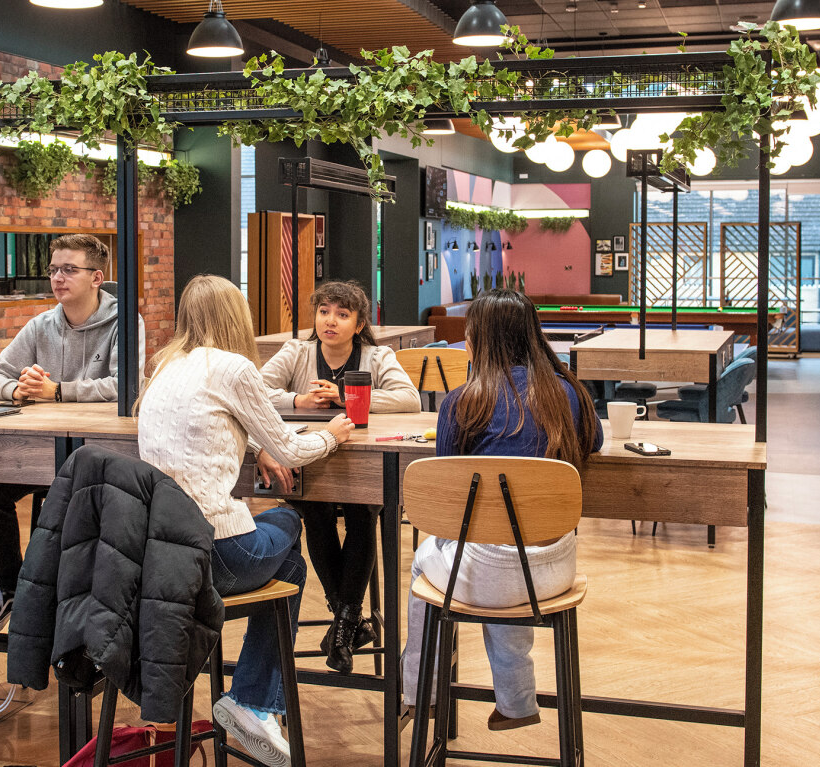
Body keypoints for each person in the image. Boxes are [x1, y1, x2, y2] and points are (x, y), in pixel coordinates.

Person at [137, 275, 353, 767]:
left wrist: (256, 447)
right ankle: (252, 701)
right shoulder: (234, 367)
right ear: (237, 317)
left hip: (158, 557)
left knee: (281, 550)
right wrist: (335, 435)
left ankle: (253, 700)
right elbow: (293, 449)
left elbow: (206, 426)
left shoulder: (163, 366)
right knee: (290, 532)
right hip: (216, 555)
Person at [400, 289, 602, 731]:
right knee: (502, 557)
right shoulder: (570, 393)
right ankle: (515, 701)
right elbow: (596, 444)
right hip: (554, 569)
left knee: (432, 563)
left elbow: (450, 491)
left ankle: (420, 693)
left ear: (481, 340)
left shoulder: (463, 402)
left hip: (489, 574)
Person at [0, 233, 142, 632]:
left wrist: (58, 390)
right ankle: (11, 589)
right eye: (53, 270)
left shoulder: (125, 321)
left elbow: (127, 386)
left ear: (97, 277)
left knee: (67, 508)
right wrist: (18, 388)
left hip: (102, 454)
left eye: (69, 269)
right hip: (46, 449)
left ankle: (65, 607)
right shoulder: (41, 325)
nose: (58, 278)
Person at [258, 280, 419, 674]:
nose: (331, 321)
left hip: (361, 466)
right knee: (315, 513)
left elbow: (409, 398)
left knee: (364, 514)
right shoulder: (297, 352)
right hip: (309, 463)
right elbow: (256, 390)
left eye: (342, 314)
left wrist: (348, 396)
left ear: (359, 323)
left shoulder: (377, 356)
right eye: (324, 312)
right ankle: (349, 624)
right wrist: (297, 400)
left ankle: (344, 625)